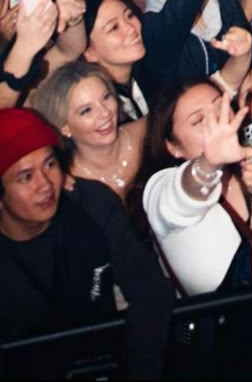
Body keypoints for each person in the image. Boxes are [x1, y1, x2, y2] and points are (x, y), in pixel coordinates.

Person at [0, 107, 173, 378]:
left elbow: (150, 289)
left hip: (106, 363)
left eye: (50, 164)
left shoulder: (90, 203)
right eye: (25, 177)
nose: (45, 184)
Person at [136, 80, 252, 295]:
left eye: (219, 108)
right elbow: (177, 204)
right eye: (199, 120)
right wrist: (210, 161)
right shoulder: (163, 185)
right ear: (173, 147)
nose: (217, 123)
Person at [32, 61, 146, 200]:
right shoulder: (66, 185)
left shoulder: (151, 132)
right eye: (86, 110)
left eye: (106, 97)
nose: (105, 113)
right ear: (64, 127)